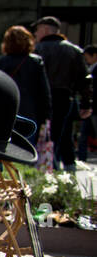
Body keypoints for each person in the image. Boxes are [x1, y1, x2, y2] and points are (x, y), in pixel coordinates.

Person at [33, 16, 89, 172]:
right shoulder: (74, 50)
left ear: (45, 29)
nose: (35, 33)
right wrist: (86, 103)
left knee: (46, 138)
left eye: (37, 30)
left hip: (42, 100)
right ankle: (64, 172)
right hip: (65, 99)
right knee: (61, 136)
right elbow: (84, 80)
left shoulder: (38, 50)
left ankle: (51, 170)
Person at [0, 25, 51, 145]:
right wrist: (46, 117)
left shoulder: (2, 62)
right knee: (27, 148)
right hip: (30, 113)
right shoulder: (35, 62)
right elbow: (44, 92)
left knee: (6, 146)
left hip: (7, 111)